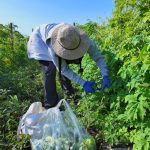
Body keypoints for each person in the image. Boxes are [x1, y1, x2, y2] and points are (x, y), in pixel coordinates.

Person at [27, 23, 110, 109]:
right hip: (39, 41)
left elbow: (98, 58)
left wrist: (105, 75)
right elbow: (63, 69)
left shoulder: (82, 39)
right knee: (50, 69)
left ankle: (71, 95)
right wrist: (83, 83)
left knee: (63, 64)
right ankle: (51, 105)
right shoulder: (53, 46)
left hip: (58, 38)